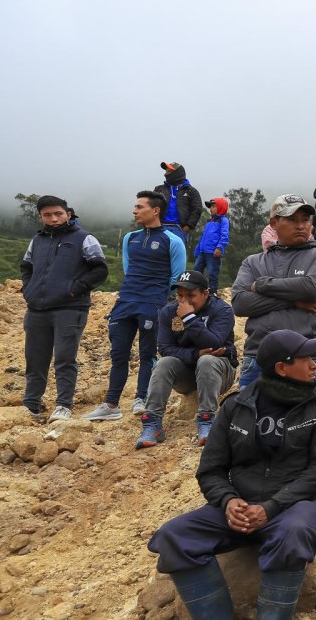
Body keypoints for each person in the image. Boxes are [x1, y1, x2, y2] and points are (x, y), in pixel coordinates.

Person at [146, 329, 316, 620]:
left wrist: (270, 507)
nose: (315, 365)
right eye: (306, 359)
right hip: (242, 507)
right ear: (281, 368)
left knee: (294, 531)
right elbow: (210, 470)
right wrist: (228, 502)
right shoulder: (236, 406)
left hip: (293, 507)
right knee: (174, 537)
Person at [84, 191, 186, 421]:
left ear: (156, 210)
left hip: (153, 303)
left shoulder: (173, 240)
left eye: (140, 207)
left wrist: (157, 295)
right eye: (135, 207)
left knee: (147, 353)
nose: (135, 211)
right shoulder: (131, 238)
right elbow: (128, 269)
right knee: (118, 354)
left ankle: (141, 399)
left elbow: (177, 277)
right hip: (125, 302)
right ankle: (111, 404)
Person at [230, 195, 316, 390]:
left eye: (305, 220)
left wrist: (263, 285)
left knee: (309, 420)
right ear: (274, 223)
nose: (301, 225)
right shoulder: (253, 262)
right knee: (248, 419)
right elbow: (240, 303)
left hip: (308, 360)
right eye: (292, 219)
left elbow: (312, 288)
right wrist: (292, 302)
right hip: (257, 358)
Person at [20, 195, 109, 421]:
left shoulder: (84, 238)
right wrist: (28, 289)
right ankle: (31, 403)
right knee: (35, 359)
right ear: (41, 217)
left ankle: (63, 405)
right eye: (47, 215)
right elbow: (26, 266)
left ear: (68, 214)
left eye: (58, 213)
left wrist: (74, 289)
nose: (53, 218)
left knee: (64, 358)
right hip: (37, 309)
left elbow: (99, 269)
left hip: (70, 308)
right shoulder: (37, 240)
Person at [136, 271, 238, 449]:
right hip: (186, 374)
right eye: (180, 295)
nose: (184, 301)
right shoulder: (169, 311)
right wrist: (194, 354)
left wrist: (189, 318)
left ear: (205, 293)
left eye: (191, 295)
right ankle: (152, 423)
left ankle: (207, 421)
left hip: (219, 373)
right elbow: (165, 348)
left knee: (207, 360)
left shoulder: (221, 309)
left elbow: (214, 343)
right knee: (163, 363)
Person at [155, 161, 203, 244]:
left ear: (178, 173)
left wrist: (188, 226)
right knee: (157, 255)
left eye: (169, 171)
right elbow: (151, 206)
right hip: (160, 227)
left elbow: (197, 209)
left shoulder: (191, 191)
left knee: (176, 256)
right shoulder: (159, 189)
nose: (166, 174)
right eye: (166, 171)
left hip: (179, 229)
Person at [193, 198, 230, 296]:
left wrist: (219, 248)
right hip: (202, 251)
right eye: (211, 207)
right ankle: (197, 289)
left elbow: (224, 236)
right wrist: (197, 250)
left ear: (221, 208)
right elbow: (203, 237)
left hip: (213, 252)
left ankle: (212, 293)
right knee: (196, 270)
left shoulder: (223, 220)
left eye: (214, 206)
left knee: (212, 273)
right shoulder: (209, 221)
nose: (211, 209)